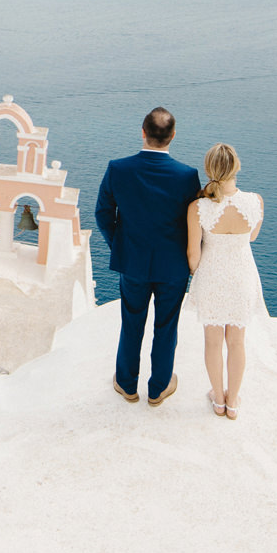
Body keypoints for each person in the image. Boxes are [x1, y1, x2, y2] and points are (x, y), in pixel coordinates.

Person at [95, 107, 203, 406]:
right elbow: (195, 220)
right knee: (166, 326)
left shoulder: (118, 169)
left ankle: (127, 385)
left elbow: (103, 214)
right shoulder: (187, 175)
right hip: (173, 267)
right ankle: (158, 389)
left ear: (142, 132)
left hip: (133, 263)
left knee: (131, 322)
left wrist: (120, 244)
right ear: (173, 136)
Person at [185, 142, 264, 418]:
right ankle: (233, 402)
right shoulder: (255, 202)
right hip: (242, 276)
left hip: (211, 277)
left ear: (209, 169)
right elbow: (251, 237)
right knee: (237, 342)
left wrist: (201, 272)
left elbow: (193, 256)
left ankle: (218, 399)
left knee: (213, 343)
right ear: (236, 167)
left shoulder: (197, 208)